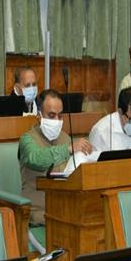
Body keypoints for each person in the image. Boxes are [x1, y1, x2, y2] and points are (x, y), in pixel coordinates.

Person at [18, 89, 92, 225]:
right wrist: (68, 149)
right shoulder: (27, 139)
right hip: (39, 214)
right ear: (39, 116)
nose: (57, 120)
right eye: (51, 115)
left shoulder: (65, 138)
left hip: (65, 211)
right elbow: (35, 159)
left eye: (60, 116)